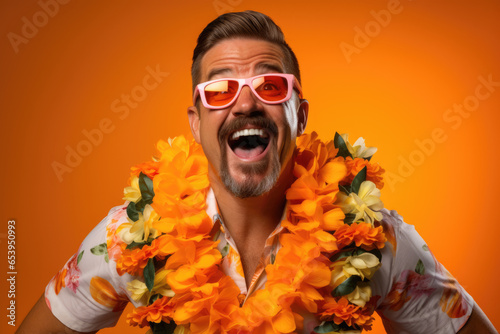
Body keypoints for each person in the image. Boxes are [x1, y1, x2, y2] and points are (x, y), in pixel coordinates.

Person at [18, 10, 496, 334]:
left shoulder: (373, 241)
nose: (246, 102)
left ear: (299, 115)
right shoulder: (127, 238)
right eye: (221, 89)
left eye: (269, 85)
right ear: (196, 123)